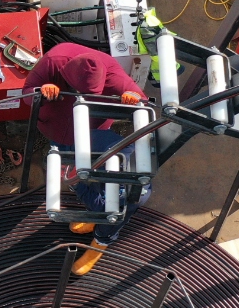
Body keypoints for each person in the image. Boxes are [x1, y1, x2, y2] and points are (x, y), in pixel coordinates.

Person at [21, 42, 146, 276]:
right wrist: (42, 92)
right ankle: (93, 220)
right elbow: (27, 92)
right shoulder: (54, 61)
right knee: (86, 182)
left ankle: (100, 242)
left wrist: (133, 98)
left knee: (107, 215)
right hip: (72, 132)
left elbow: (142, 101)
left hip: (94, 155)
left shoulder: (124, 194)